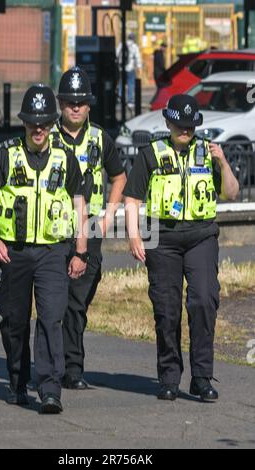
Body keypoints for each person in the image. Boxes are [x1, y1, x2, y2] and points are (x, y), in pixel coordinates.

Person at [0, 83, 88, 414]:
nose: (37, 129)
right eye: (31, 122)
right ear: (23, 123)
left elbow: (79, 205)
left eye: (43, 123)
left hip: (54, 252)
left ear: (52, 123)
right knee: (14, 321)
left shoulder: (66, 159)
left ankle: (50, 389)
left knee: (51, 317)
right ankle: (17, 381)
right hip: (14, 251)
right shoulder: (5, 155)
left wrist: (81, 251)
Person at [124, 94, 239, 401]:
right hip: (162, 238)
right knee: (167, 309)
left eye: (190, 126)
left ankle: (201, 377)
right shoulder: (150, 154)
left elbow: (231, 192)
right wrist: (135, 236)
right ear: (168, 123)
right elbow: (133, 199)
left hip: (201, 236)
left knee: (203, 301)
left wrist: (223, 162)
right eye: (180, 125)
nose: (185, 131)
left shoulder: (207, 152)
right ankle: (169, 378)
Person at [54, 66, 127, 389]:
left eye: (81, 102)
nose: (75, 107)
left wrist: (110, 215)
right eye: (69, 101)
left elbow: (119, 177)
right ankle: (60, 369)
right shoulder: (45, 135)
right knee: (55, 302)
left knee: (77, 304)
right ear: (59, 103)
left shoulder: (100, 138)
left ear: (89, 106)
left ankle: (71, 368)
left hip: (92, 229)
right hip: (53, 230)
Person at [116, 32, 142, 107]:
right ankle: (130, 101)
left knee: (121, 83)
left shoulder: (122, 44)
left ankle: (120, 98)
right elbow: (137, 57)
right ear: (133, 38)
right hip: (130, 68)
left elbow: (117, 54)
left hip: (121, 68)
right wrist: (139, 67)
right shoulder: (134, 46)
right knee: (131, 84)